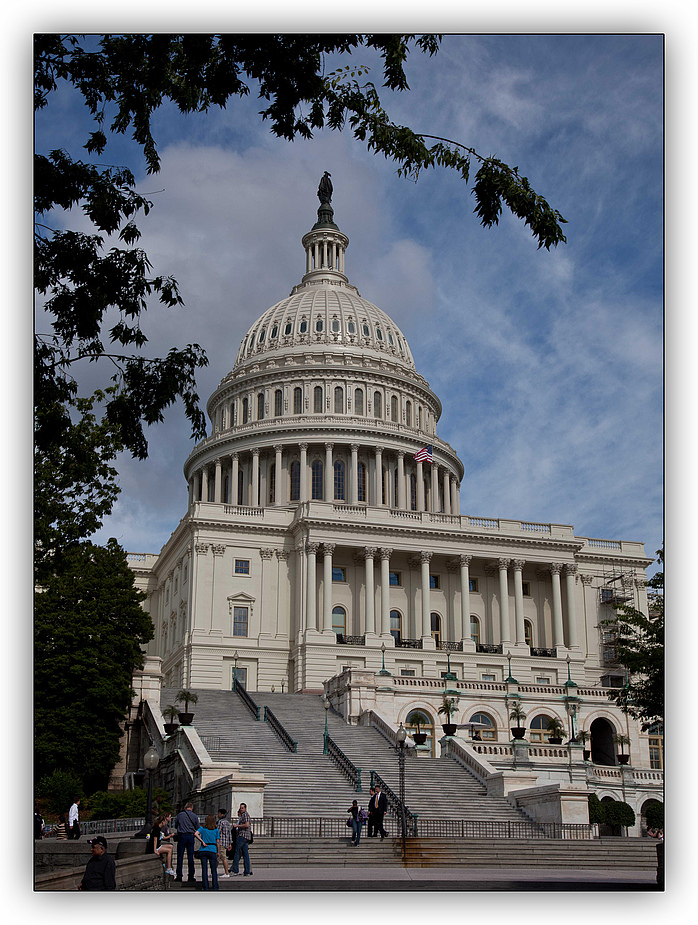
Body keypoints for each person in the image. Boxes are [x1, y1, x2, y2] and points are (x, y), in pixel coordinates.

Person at [174, 801, 200, 883]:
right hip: (191, 836)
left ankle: (179, 876)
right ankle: (191, 876)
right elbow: (198, 827)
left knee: (180, 857)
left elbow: (175, 825)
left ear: (185, 808)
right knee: (190, 857)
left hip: (182, 836)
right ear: (192, 808)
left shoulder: (180, 815)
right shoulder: (195, 816)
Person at [195, 814, 220, 890]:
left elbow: (195, 834)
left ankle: (205, 886)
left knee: (204, 869)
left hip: (203, 849)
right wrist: (218, 851)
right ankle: (215, 886)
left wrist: (202, 841)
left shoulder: (203, 828)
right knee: (214, 870)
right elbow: (218, 841)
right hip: (212, 849)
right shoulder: (216, 829)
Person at [232, 802, 252, 876]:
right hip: (246, 836)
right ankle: (247, 871)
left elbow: (247, 824)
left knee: (237, 851)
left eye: (242, 808)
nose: (241, 809)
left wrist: (237, 825)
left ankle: (235, 870)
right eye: (240, 808)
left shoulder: (245, 815)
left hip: (243, 835)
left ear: (245, 808)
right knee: (245, 854)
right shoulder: (243, 815)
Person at [216, 808, 233, 878]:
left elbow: (218, 832)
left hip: (221, 842)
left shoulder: (221, 822)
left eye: (219, 813)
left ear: (221, 814)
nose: (218, 815)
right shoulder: (228, 823)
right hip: (226, 842)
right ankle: (214, 871)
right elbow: (229, 834)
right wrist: (230, 843)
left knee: (223, 857)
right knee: (218, 857)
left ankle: (226, 872)